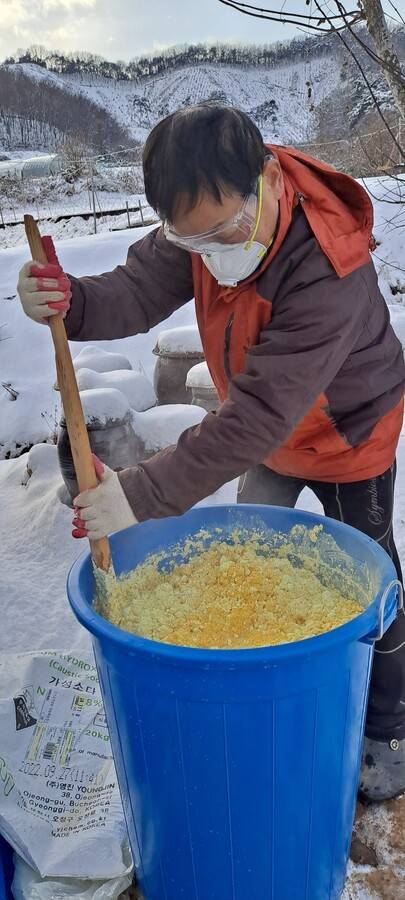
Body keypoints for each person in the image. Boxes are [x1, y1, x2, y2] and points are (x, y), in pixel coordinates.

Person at [17, 103, 405, 802]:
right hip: (265, 432)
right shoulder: (204, 212)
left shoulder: (327, 265)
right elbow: (138, 287)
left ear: (269, 179)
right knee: (248, 556)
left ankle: (389, 727)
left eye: (224, 234)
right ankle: (269, 685)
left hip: (349, 432)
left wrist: (137, 494)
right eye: (189, 241)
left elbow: (254, 417)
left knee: (373, 580)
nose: (211, 255)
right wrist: (71, 302)